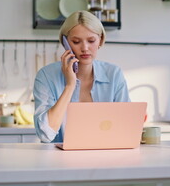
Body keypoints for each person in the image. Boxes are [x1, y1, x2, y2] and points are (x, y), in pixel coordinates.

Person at [33, 10, 130, 143]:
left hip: (106, 157)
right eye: (76, 41)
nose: (85, 48)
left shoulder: (114, 74)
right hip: (60, 160)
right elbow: (45, 135)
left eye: (91, 41)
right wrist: (70, 85)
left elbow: (126, 128)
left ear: (100, 40)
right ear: (65, 42)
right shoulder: (46, 76)